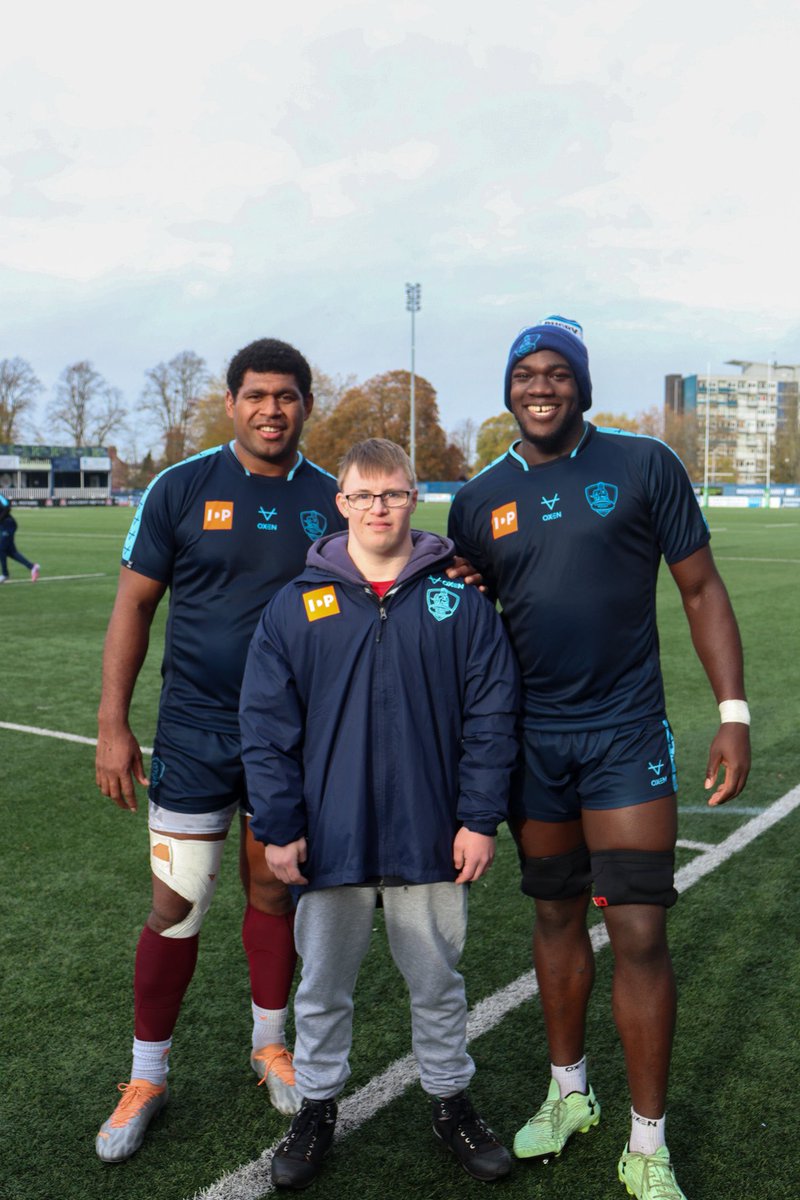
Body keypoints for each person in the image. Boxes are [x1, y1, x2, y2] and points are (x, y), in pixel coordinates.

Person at [447, 316, 751, 1200]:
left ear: (580, 384)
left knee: (640, 932)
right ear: (509, 388)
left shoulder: (643, 465)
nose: (540, 387)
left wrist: (731, 713)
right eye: (525, 375)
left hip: (624, 734)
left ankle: (648, 1143)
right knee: (553, 920)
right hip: (532, 745)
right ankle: (568, 1093)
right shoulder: (479, 499)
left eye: (557, 373)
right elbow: (464, 621)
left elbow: (700, 587)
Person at [239, 438, 520, 1189]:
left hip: (431, 834)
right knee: (323, 985)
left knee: (437, 983)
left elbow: (492, 716)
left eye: (392, 493)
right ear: (342, 503)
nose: (378, 508)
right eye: (363, 496)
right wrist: (279, 825)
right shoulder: (298, 605)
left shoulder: (457, 602)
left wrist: (478, 818)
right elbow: (266, 726)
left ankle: (451, 1103)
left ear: (413, 496)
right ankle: (318, 1106)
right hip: (330, 838)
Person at [93, 338, 348, 1163]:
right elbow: (134, 604)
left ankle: (270, 1045)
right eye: (257, 394)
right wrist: (113, 723)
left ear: (307, 404)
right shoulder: (182, 487)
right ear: (231, 402)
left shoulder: (329, 496)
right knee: (177, 908)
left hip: (294, 739)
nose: (272, 409)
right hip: (196, 734)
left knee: (276, 898)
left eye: (287, 395)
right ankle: (146, 1075)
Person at [0, 495, 40, 582]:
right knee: (11, 552)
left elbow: (7, 507)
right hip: (2, 526)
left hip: (8, 524)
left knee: (1, 549)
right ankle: (32, 567)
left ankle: (5, 574)